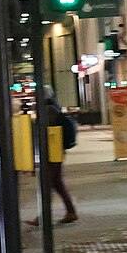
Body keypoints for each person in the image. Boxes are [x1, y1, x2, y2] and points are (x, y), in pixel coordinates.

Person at [44, 92, 80, 224]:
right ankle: (71, 212)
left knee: (48, 184)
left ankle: (44, 216)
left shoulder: (48, 110)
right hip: (56, 152)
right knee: (57, 183)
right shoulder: (54, 108)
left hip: (53, 153)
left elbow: (48, 132)